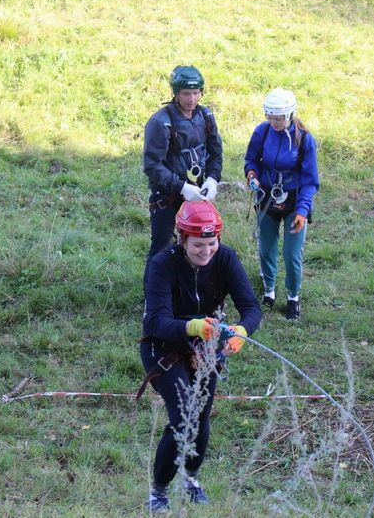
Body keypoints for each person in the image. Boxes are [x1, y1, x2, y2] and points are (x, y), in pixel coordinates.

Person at [140, 200, 261, 512]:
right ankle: (158, 491)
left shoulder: (226, 259)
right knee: (183, 417)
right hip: (163, 348)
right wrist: (192, 326)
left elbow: (251, 308)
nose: (206, 251)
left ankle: (191, 478)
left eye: (211, 243)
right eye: (198, 245)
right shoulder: (162, 264)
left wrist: (242, 332)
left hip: (206, 350)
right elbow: (155, 321)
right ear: (182, 239)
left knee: (201, 417)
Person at [142, 65, 223, 286]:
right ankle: (152, 298)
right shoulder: (161, 122)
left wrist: (213, 179)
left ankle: (187, 294)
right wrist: (182, 188)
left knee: (199, 246)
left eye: (196, 93)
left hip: (199, 192)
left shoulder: (206, 116)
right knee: (162, 247)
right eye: (186, 93)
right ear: (176, 93)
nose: (191, 98)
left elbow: (216, 153)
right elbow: (152, 165)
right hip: (168, 195)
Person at [244, 88, 319, 320]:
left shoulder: (305, 139)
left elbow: (310, 180)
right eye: (270, 117)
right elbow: (251, 159)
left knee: (291, 253)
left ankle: (293, 298)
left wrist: (303, 211)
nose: (274, 122)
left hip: (294, 203)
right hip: (267, 198)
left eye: (279, 118)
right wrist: (252, 174)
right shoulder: (262, 132)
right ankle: (269, 291)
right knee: (266, 248)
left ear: (290, 115)